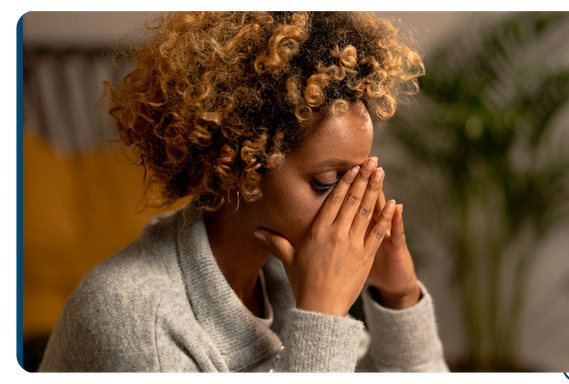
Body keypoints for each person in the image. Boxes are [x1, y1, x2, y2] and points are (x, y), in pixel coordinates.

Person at [38, 10, 449, 374]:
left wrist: (399, 296)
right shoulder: (135, 320)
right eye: (327, 183)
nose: (355, 205)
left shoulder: (283, 277)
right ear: (239, 166)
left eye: (361, 178)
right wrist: (322, 317)